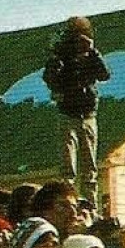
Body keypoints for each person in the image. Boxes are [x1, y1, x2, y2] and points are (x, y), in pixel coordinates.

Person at [42, 16, 112, 207]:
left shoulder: (90, 56)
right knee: (68, 167)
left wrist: (92, 53)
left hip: (87, 113)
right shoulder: (61, 55)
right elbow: (50, 78)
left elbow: (105, 74)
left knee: (89, 166)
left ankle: (90, 205)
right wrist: (59, 59)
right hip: (69, 113)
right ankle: (70, 202)